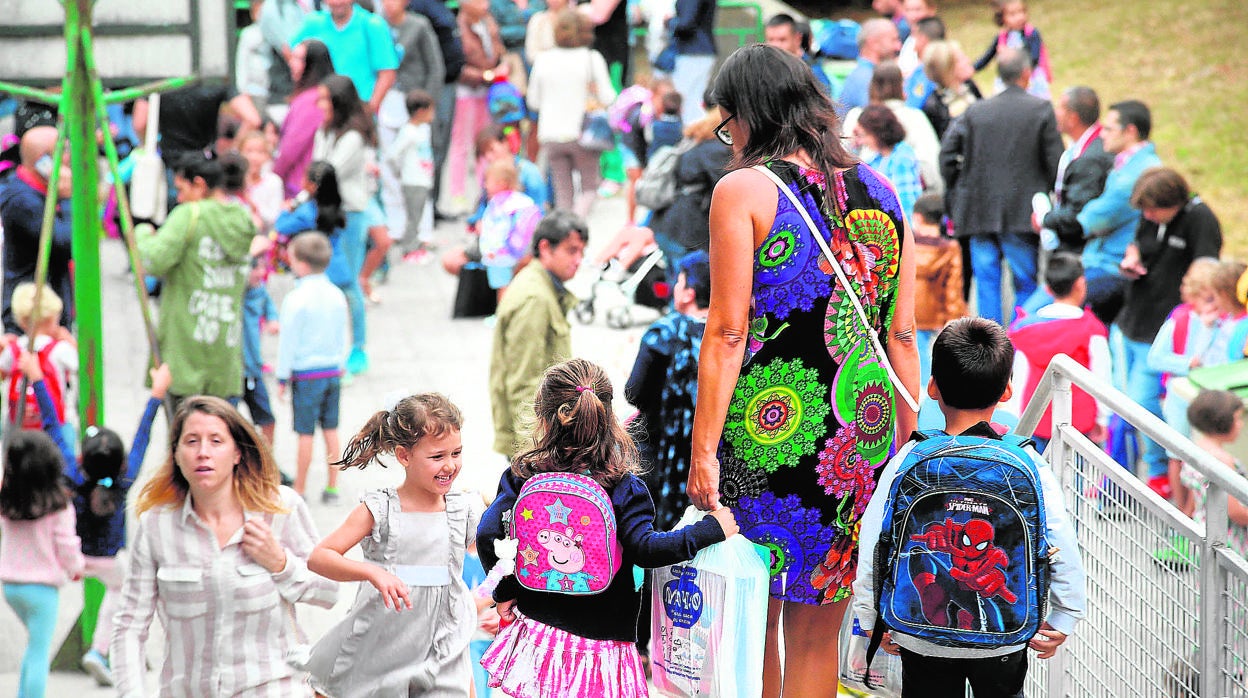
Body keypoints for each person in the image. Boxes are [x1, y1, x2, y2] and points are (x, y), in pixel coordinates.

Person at [687, 44, 919, 696]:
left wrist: (703, 450)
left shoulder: (744, 190)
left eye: (726, 118)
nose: (725, 133)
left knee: (754, 616)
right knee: (821, 628)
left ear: (750, 114)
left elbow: (729, 332)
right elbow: (900, 334)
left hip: (771, 431)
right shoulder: (883, 189)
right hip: (859, 434)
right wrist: (906, 443)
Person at [477, 358, 739, 697]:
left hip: (539, 635)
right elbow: (646, 549)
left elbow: (487, 534)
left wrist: (505, 592)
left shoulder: (523, 475)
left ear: (543, 418)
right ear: (608, 418)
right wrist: (709, 530)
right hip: (603, 644)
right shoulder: (623, 487)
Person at [853, 317, 1086, 698]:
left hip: (918, 630)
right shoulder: (1028, 462)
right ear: (1007, 390)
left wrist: (872, 617)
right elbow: (1060, 539)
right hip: (1005, 636)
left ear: (932, 387)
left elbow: (875, 541)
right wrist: (1064, 615)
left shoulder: (910, 457)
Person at [111, 398, 338, 695]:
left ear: (237, 453)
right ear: (176, 455)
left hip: (273, 687)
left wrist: (281, 563)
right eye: (191, 441)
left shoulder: (280, 509)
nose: (203, 452)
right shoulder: (156, 526)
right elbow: (129, 625)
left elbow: (329, 592)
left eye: (216, 441)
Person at [301, 393, 481, 696]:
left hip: (442, 646)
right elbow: (320, 557)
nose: (450, 465)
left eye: (456, 453)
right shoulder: (381, 509)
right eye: (437, 456)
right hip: (382, 643)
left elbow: (502, 558)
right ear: (404, 456)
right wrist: (374, 573)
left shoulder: (465, 508)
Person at [1112, 166, 1221, 495]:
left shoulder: (1202, 222)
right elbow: (1138, 243)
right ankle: (1140, 469)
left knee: (1144, 403)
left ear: (1173, 202)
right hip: (1132, 320)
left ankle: (1159, 471)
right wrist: (1131, 257)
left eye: (1152, 210)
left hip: (1164, 331)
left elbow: (1206, 274)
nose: (1147, 215)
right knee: (1124, 404)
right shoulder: (1149, 215)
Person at [939, 47, 1062, 325]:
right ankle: (1018, 343)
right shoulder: (1041, 110)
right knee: (1025, 283)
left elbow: (946, 155)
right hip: (1022, 213)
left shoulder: (975, 111)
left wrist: (958, 189)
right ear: (1027, 74)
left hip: (978, 211)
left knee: (986, 284)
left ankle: (989, 350)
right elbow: (1055, 163)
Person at [71, 363, 170, 687]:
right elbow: (142, 436)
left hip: (69, 556)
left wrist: (40, 380)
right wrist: (156, 396)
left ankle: (102, 652)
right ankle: (101, 651)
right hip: (108, 559)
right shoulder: (125, 479)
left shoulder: (74, 478)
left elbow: (55, 431)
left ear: (82, 459)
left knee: (121, 587)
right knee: (125, 588)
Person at [138, 154, 257, 406]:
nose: (178, 197)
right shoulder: (243, 219)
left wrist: (142, 234)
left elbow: (153, 260)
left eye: (181, 189)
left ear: (199, 185)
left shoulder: (189, 215)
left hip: (184, 351)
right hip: (225, 354)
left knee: (186, 437)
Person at [0, 356, 85, 698]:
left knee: (31, 650)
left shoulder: (8, 501)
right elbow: (66, 546)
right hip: (42, 589)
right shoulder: (58, 506)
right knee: (38, 653)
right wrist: (77, 568)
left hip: (10, 585)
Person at [489, 210, 587, 458]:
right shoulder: (535, 298)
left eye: (581, 252)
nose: (578, 260)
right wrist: (533, 453)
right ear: (545, 248)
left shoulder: (543, 286)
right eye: (571, 250)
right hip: (535, 440)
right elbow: (523, 383)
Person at [626, 250, 710, 532]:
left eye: (679, 282)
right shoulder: (731, 335)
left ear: (688, 292)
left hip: (659, 458)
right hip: (711, 460)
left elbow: (634, 393)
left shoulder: (664, 333)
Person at [1147, 259, 1241, 500]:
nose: (1214, 306)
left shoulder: (1226, 322)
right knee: (1177, 455)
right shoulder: (1181, 320)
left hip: (1205, 398)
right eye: (1208, 300)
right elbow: (1156, 358)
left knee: (1201, 456)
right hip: (1179, 397)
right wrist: (1187, 363)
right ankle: (1181, 509)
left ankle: (1192, 510)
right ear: (1193, 295)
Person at [1008, 253, 1111, 452]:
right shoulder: (1091, 330)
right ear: (1080, 283)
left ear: (1047, 289)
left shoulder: (1025, 330)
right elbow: (1101, 378)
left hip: (1036, 421)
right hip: (1079, 422)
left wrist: (1017, 421)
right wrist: (1103, 418)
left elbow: (1019, 378)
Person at [276, 233, 349, 503]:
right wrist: (340, 364)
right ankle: (332, 487)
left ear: (302, 264)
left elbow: (288, 341)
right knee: (331, 430)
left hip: (306, 375)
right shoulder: (337, 295)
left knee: (305, 433)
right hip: (332, 371)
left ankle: (300, 487)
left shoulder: (295, 299)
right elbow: (343, 333)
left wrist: (282, 376)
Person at [1075, 99, 1162, 324]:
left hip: (1111, 266)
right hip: (1108, 261)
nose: (1102, 134)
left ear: (1130, 131)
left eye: (1109, 129)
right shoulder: (1133, 164)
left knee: (1043, 313)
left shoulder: (1135, 175)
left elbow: (1091, 220)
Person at [313, 74, 377, 376]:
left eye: (325, 98)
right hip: (328, 214)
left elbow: (328, 171)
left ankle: (359, 348)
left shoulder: (353, 137)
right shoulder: (325, 132)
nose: (320, 104)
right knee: (332, 281)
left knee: (349, 282)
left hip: (349, 214)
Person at [528, 9, 617, 218]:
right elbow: (608, 97)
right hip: (583, 135)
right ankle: (575, 228)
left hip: (550, 135)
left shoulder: (543, 59)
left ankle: (564, 233)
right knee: (588, 189)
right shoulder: (591, 58)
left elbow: (533, 101)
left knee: (563, 195)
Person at [377, 0, 445, 245]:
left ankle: (421, 230)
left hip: (414, 104)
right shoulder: (377, 25)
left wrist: (427, 106)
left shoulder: (419, 25)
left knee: (418, 169)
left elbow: (435, 67)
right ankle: (395, 226)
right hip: (387, 103)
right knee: (389, 168)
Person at [0, 126, 73, 335]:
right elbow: (65, 243)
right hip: (31, 316)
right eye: (64, 150)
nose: (69, 156)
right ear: (44, 162)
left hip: (49, 307)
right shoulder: (22, 200)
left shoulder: (36, 190)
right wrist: (67, 198)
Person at [647, 98, 732, 271]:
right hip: (687, 229)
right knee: (687, 285)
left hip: (667, 221)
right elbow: (727, 190)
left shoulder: (693, 141)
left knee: (676, 284)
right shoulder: (715, 150)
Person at [1031, 86, 1112, 257]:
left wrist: (1045, 219)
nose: (1055, 113)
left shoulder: (1089, 159)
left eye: (1060, 108)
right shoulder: (1087, 148)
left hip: (1079, 252)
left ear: (1073, 118)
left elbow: (1077, 213)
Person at [842, 61, 942, 195]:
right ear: (902, 86)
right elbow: (932, 163)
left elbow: (841, 159)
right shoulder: (915, 118)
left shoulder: (855, 116)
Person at [292, 0, 399, 115]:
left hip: (358, 108)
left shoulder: (371, 25)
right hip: (322, 111)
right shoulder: (313, 22)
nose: (338, 2)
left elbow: (387, 73)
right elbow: (291, 50)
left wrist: (369, 111)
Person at [448, 0, 505, 210]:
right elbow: (458, 66)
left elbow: (497, 52)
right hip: (467, 92)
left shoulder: (488, 22)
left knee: (485, 141)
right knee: (461, 143)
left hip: (488, 91)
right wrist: (486, 75)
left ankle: (486, 189)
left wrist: (498, 69)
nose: (485, 4)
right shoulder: (458, 26)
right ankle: (457, 194)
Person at [1178, 390, 1248, 557]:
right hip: (1228, 539)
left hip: (1202, 529)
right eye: (1238, 419)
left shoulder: (1194, 449)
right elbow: (1234, 512)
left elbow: (1193, 499)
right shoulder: (1222, 460)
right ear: (1223, 422)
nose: (1241, 424)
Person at [0, 283, 76, 434]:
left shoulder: (15, 348)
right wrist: (70, 341)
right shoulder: (60, 349)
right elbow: (84, 368)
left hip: (19, 428)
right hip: (54, 428)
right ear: (50, 319)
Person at [910, 193, 965, 391]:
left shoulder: (907, 244)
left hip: (908, 310)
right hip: (933, 311)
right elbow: (953, 288)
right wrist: (953, 317)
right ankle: (928, 388)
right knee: (929, 352)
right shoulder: (949, 248)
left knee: (914, 351)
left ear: (917, 217)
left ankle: (917, 389)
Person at [273, 38, 336, 198]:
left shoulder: (311, 100)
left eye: (299, 59)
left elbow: (291, 147)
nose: (292, 64)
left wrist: (274, 176)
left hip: (299, 184)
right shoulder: (317, 96)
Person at [477, 159, 544, 297]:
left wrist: (489, 248)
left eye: (487, 181)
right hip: (523, 253)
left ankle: (503, 316)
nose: (485, 185)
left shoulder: (497, 204)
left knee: (503, 287)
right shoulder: (523, 201)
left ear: (501, 183)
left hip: (500, 254)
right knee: (519, 286)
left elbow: (494, 230)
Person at [385, 88, 438, 259]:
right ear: (421, 111)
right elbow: (392, 154)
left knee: (419, 214)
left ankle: (415, 244)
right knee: (413, 216)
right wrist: (398, 172)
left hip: (422, 179)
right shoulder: (408, 131)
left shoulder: (423, 130)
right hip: (412, 180)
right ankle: (409, 248)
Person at [851, 104, 923, 219]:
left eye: (864, 135)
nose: (862, 141)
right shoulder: (878, 159)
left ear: (877, 133)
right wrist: (854, 146)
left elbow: (906, 205)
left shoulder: (902, 157)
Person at [973, 0, 1052, 99]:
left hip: (1030, 79)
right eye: (1013, 14)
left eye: (1022, 12)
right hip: (1008, 80)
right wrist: (973, 68)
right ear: (1002, 18)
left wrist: (1010, 55)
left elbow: (1034, 58)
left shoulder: (1031, 34)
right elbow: (987, 56)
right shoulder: (1002, 37)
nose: (1020, 17)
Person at [241, 259, 279, 445]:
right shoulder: (235, 293)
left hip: (253, 370)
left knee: (268, 421)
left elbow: (270, 309)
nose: (259, 273)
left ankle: (267, 465)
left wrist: (273, 320)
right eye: (254, 267)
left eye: (262, 267)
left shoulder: (260, 291)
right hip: (231, 371)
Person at [917, 40, 980, 140]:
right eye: (961, 60)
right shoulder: (934, 106)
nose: (968, 60)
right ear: (948, 69)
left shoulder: (969, 86)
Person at [838, 18, 902, 116]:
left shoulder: (863, 74)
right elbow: (878, 121)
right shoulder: (867, 79)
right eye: (893, 40)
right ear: (873, 43)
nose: (898, 46)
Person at [669, 0, 717, 124]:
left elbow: (686, 23)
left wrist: (669, 22)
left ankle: (694, 138)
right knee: (693, 101)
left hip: (693, 51)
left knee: (687, 103)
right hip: (699, 50)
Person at [764, 13, 834, 94]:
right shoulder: (763, 69)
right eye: (771, 40)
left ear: (797, 38)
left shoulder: (813, 72)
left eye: (782, 40)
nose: (775, 46)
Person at [239, 131, 285, 234]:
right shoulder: (235, 179)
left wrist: (254, 207)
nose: (254, 157)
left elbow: (274, 217)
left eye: (260, 152)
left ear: (267, 156)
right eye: (249, 151)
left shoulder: (273, 182)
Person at [236, 1, 273, 116]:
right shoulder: (249, 33)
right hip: (254, 89)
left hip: (272, 89)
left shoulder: (274, 31)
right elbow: (242, 61)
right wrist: (242, 89)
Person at [902, 16, 944, 109]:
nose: (911, 39)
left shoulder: (927, 72)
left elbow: (913, 107)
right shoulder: (946, 65)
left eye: (913, 35)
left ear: (922, 39)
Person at [895, 0, 936, 78]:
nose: (912, 15)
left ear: (931, 10)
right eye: (908, 10)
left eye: (918, 10)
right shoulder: (909, 39)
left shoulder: (932, 39)